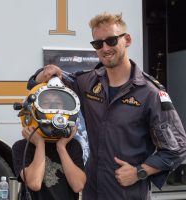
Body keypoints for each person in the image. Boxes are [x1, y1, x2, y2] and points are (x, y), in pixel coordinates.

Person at [27, 12, 186, 200]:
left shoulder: (150, 93)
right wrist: (45, 74)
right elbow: (35, 84)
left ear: (127, 40)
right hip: (92, 192)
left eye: (111, 40)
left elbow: (177, 148)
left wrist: (140, 171)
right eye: (98, 43)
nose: (105, 48)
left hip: (127, 194)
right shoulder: (87, 82)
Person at [12, 91, 86, 200]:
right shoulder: (22, 146)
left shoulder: (72, 146)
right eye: (46, 103)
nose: (53, 107)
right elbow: (34, 183)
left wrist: (61, 147)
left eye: (58, 103)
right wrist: (40, 144)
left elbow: (78, 186)